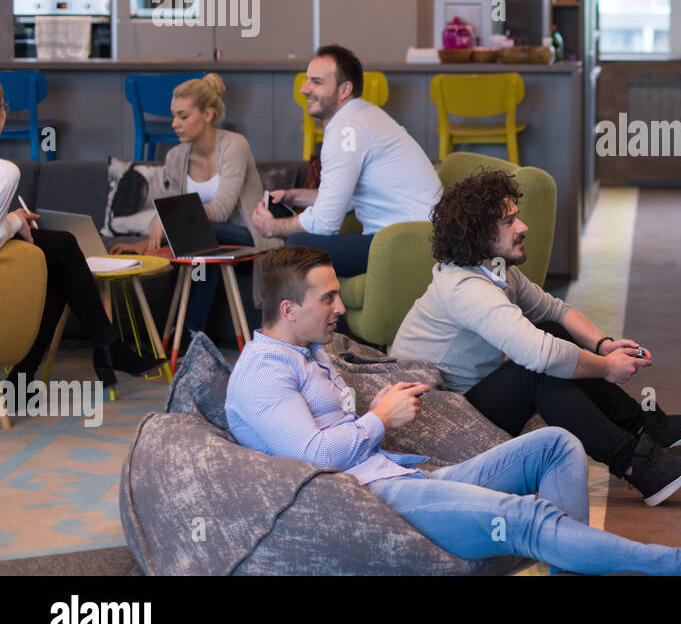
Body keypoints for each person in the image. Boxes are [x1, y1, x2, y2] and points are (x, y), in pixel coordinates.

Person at [225, 246, 681, 576]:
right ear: (285, 309)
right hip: (372, 499)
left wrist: (370, 413)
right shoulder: (263, 373)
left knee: (558, 444)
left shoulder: (307, 351)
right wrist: (378, 419)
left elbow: (553, 317)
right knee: (525, 520)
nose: (340, 306)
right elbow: (312, 457)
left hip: (401, 474)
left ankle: (581, 550)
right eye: (327, 298)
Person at [390, 170, 681, 507]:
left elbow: (555, 311)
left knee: (551, 333)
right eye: (509, 221)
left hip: (462, 402)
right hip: (438, 426)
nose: (523, 227)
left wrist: (603, 345)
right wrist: (606, 367)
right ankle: (639, 465)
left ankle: (648, 429)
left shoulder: (496, 269)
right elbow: (542, 356)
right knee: (536, 371)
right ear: (477, 235)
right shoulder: (466, 290)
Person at [0, 81, 166, 390]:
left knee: (62, 261)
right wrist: (12, 221)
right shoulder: (6, 171)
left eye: (3, 106)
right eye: (2, 107)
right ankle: (106, 346)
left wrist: (13, 219)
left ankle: (27, 375)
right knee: (63, 250)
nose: (3, 115)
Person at [249, 45, 441, 278]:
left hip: (409, 242)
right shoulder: (361, 116)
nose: (304, 89)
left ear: (344, 90)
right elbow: (342, 198)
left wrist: (273, 228)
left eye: (316, 82)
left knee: (298, 245)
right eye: (307, 80)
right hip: (416, 236)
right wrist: (294, 195)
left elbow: (324, 223)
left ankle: (327, 315)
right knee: (302, 244)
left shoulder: (346, 130)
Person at [111, 73, 279, 338]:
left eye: (183, 116)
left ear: (208, 114)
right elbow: (179, 217)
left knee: (201, 234)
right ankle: (176, 333)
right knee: (197, 241)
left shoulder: (235, 146)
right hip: (206, 242)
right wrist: (145, 243)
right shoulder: (176, 156)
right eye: (173, 116)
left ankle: (188, 330)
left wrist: (166, 219)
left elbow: (222, 210)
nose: (175, 124)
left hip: (250, 236)